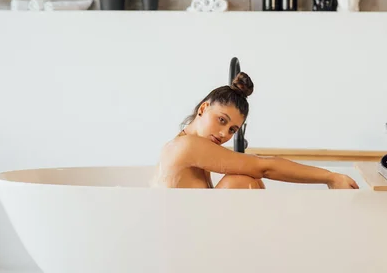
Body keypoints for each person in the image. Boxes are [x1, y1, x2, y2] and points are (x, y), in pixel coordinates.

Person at [151, 72, 359, 189]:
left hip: (189, 238)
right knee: (240, 181)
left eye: (232, 129)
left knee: (243, 178)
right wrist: (330, 176)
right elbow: (263, 167)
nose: (224, 134)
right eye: (221, 120)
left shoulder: (186, 144)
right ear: (204, 108)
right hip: (182, 245)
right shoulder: (188, 146)